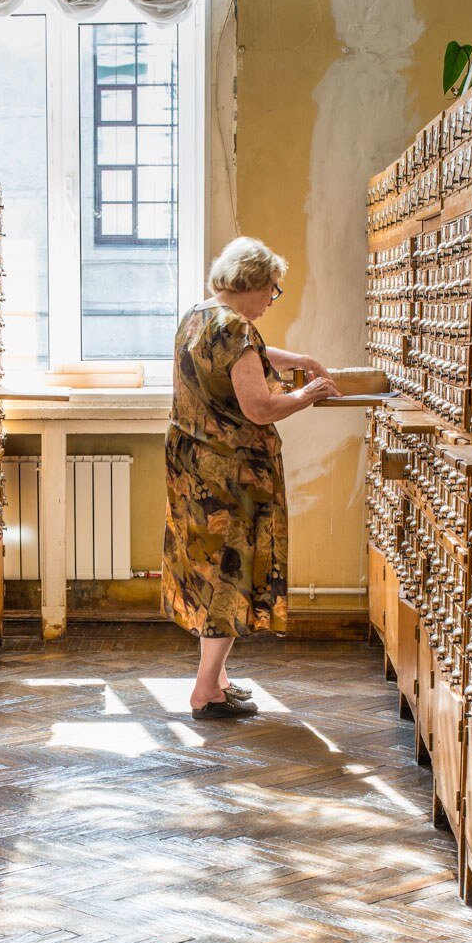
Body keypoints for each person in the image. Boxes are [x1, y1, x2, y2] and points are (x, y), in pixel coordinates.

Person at [163, 237, 340, 720]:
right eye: (272, 291)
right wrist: (310, 394)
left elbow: (250, 356)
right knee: (230, 572)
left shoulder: (202, 315)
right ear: (252, 283)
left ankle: (217, 677)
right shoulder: (235, 328)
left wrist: (299, 361)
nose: (270, 301)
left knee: (205, 565)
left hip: (192, 464)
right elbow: (259, 407)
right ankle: (206, 693)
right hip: (230, 472)